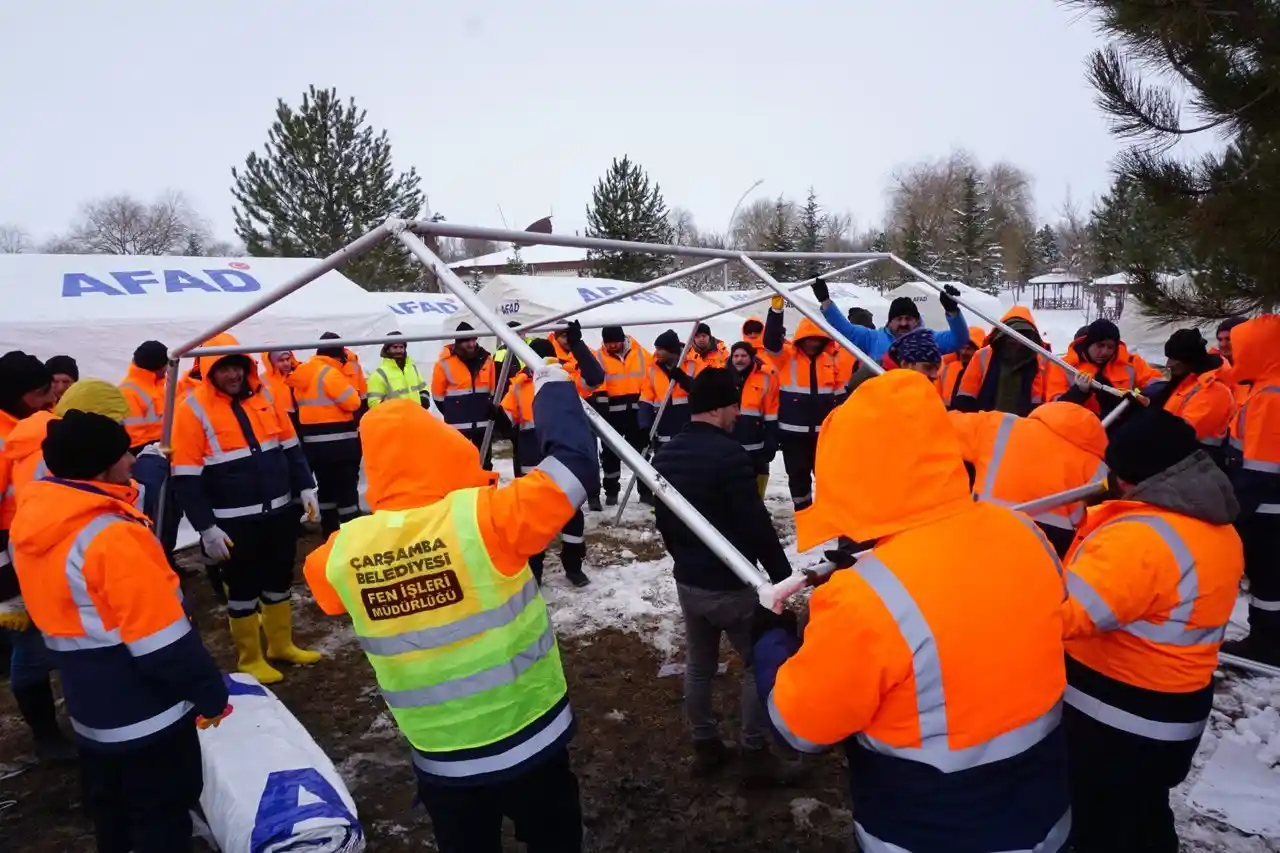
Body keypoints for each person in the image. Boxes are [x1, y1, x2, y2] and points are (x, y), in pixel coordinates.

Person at [753, 370, 1070, 853]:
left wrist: (772, 640)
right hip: (1044, 815)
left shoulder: (867, 597)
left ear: (849, 470)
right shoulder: (1023, 531)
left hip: (928, 828)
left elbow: (798, 728)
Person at [302, 359, 598, 853]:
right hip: (530, 736)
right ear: (441, 448)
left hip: (441, 756)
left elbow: (327, 595)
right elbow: (575, 466)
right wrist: (553, 392)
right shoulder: (488, 519)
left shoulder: (338, 554)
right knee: (555, 840)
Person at [10, 410, 231, 853]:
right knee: (162, 816)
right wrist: (210, 694)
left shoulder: (35, 523)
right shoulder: (112, 538)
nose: (132, 458)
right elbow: (163, 645)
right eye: (124, 452)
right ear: (102, 465)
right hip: (147, 713)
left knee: (112, 812)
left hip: (90, 708)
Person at [1060, 408, 1243, 851]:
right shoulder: (1215, 527)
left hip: (1118, 720)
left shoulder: (1138, 539)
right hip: (1173, 715)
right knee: (1142, 814)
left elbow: (1062, 614)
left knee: (1098, 826)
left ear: (1131, 477)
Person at [651, 368, 796, 779]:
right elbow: (755, 523)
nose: (738, 411)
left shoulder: (666, 454)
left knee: (699, 665)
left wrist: (684, 560)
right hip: (732, 586)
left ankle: (706, 745)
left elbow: (664, 521)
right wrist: (781, 579)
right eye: (734, 403)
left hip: (690, 581)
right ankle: (755, 754)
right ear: (717, 408)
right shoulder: (730, 455)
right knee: (758, 663)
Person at [170, 332, 322, 685]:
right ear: (209, 371)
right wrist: (206, 527)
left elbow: (290, 446)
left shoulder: (265, 396)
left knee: (280, 579)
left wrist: (306, 486)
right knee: (242, 589)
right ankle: (250, 658)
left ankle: (281, 645)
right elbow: (187, 479)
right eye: (223, 369)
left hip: (279, 513)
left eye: (237, 366)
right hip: (234, 522)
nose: (233, 375)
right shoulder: (192, 410)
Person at [0, 352, 71, 762]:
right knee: (28, 648)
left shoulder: (31, 426)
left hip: (40, 552)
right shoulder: (6, 437)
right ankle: (45, 736)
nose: (50, 399)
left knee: (49, 637)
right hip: (12, 563)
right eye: (41, 393)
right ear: (15, 394)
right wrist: (7, 585)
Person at [500, 338, 599, 587]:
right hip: (531, 458)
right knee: (532, 517)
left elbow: (594, 379)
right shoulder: (519, 385)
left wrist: (579, 345)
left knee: (571, 513)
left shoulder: (565, 380)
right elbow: (508, 418)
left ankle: (574, 567)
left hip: (562, 456)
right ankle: (534, 571)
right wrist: (497, 417)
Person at [950, 402, 1108, 556]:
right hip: (1052, 540)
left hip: (989, 521)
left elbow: (945, 424)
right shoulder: (1095, 465)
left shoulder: (999, 425)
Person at [1221, 314, 1280, 666]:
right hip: (1268, 505)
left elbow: (1261, 471)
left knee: (1267, 578)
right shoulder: (1266, 386)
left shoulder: (1269, 398)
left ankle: (1267, 643)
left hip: (1267, 510)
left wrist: (1233, 512)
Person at [762, 299, 850, 511]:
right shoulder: (786, 357)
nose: (812, 344)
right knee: (799, 481)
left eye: (817, 340)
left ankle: (827, 518)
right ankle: (805, 517)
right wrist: (776, 311)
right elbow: (771, 341)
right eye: (808, 339)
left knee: (829, 478)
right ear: (801, 339)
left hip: (824, 434)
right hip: (793, 435)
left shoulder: (830, 360)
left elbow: (840, 395)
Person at [289, 333, 363, 535]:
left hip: (314, 446)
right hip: (339, 445)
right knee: (346, 493)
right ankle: (353, 534)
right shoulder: (330, 373)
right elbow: (353, 402)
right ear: (337, 355)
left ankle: (329, 533)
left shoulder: (303, 374)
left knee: (326, 491)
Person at [815, 277, 973, 363]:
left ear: (917, 321)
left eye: (909, 318)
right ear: (890, 321)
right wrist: (825, 301)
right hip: (881, 407)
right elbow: (845, 329)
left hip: (916, 407)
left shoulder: (928, 339)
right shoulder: (873, 338)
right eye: (899, 319)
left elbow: (960, 339)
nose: (904, 323)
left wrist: (952, 311)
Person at [1046, 319, 1162, 421]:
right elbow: (1054, 410)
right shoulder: (1063, 366)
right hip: (1079, 431)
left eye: (1110, 347)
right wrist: (1079, 392)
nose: (1105, 352)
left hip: (1121, 428)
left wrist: (1138, 396)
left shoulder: (1130, 362)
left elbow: (1158, 384)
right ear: (1089, 343)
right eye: (1100, 345)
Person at [1150, 329, 1235, 465]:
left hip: (1198, 465)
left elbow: (1183, 434)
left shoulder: (1214, 390)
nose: (1168, 365)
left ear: (1189, 360)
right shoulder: (1186, 381)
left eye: (1174, 359)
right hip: (1181, 461)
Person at [951, 307, 1051, 415]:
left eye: (1021, 334)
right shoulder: (982, 356)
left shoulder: (1042, 362)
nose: (1014, 339)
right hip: (985, 426)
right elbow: (966, 396)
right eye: (1010, 334)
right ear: (1002, 334)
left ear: (1030, 337)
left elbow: (1048, 404)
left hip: (1025, 428)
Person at [594, 326, 651, 507]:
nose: (612, 346)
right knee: (610, 455)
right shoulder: (598, 357)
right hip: (611, 416)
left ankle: (646, 491)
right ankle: (611, 492)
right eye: (608, 343)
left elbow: (652, 378)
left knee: (641, 454)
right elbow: (597, 384)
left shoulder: (642, 354)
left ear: (622, 339)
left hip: (637, 414)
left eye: (615, 342)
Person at [431, 322, 496, 458]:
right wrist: (454, 411)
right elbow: (437, 396)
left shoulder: (487, 360)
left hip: (483, 425)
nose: (472, 344)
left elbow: (492, 390)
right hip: (457, 428)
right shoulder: (444, 363)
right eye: (467, 341)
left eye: (473, 340)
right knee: (459, 466)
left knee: (484, 467)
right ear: (458, 342)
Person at [728, 342, 779, 497]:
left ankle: (757, 508)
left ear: (751, 357)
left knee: (758, 475)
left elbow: (771, 411)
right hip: (729, 440)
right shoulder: (723, 376)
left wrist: (771, 439)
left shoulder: (765, 378)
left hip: (755, 442)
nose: (739, 359)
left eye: (743, 356)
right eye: (736, 356)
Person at [639, 330, 699, 455]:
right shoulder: (652, 369)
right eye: (656, 349)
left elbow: (703, 391)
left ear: (672, 351)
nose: (657, 353)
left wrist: (684, 379)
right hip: (663, 431)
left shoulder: (693, 365)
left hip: (689, 430)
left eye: (661, 349)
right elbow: (645, 400)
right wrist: (644, 427)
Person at [120, 340, 170, 455]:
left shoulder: (159, 385)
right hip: (145, 455)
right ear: (160, 368)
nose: (168, 369)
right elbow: (134, 440)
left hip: (163, 449)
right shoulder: (128, 391)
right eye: (167, 364)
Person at [368, 331, 429, 409]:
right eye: (395, 347)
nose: (399, 350)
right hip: (395, 419)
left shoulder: (412, 368)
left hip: (416, 416)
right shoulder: (379, 374)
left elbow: (423, 386)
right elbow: (373, 403)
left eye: (401, 347)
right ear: (387, 350)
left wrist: (424, 399)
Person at [936, 325, 984, 407]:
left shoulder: (984, 372)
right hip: (946, 416)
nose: (964, 352)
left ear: (979, 350)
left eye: (969, 349)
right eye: (962, 348)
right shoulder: (946, 368)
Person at [260, 349, 300, 426]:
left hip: (301, 422)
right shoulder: (262, 380)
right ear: (271, 362)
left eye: (288, 359)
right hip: (280, 425)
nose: (286, 363)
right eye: (281, 360)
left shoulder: (298, 374)